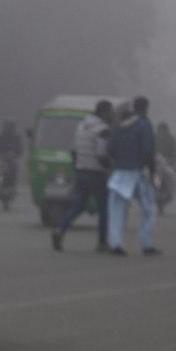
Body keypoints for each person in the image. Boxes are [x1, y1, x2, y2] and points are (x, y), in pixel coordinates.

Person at [52, 100, 114, 252]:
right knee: (104, 208)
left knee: (78, 205)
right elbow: (101, 153)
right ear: (104, 112)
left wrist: (77, 167)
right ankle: (102, 242)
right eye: (110, 112)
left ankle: (60, 228)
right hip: (96, 173)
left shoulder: (81, 126)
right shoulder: (103, 129)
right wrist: (109, 166)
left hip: (81, 171)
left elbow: (74, 150)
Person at [106, 96, 159, 256]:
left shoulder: (120, 125)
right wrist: (151, 169)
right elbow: (147, 150)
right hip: (137, 171)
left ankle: (115, 244)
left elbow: (111, 148)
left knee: (116, 209)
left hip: (120, 171)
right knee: (149, 209)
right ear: (146, 107)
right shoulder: (144, 124)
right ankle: (146, 244)